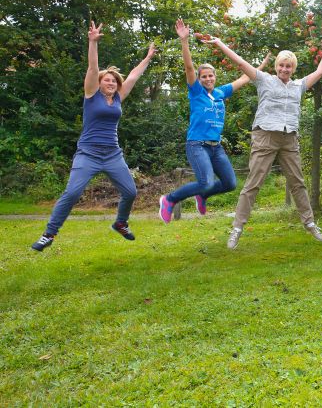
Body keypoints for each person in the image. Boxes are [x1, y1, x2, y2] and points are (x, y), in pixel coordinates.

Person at [32, 22, 156, 251]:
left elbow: (134, 76)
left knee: (130, 191)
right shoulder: (91, 95)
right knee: (72, 193)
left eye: (113, 80)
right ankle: (49, 234)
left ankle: (120, 223)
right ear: (99, 83)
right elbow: (92, 68)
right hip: (88, 154)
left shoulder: (118, 98)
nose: (111, 82)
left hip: (112, 154)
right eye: (106, 80)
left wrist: (148, 57)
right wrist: (93, 42)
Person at [208, 34, 322, 249]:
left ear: (293, 69)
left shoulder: (298, 86)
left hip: (289, 138)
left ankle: (310, 223)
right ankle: (237, 229)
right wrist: (219, 43)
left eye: (289, 66)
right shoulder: (263, 79)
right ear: (276, 67)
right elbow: (240, 62)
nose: (285, 69)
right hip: (265, 136)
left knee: (297, 182)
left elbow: (320, 72)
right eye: (282, 65)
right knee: (253, 183)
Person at [158, 19, 256, 224]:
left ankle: (202, 195)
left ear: (215, 76)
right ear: (200, 79)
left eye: (211, 76)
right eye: (204, 76)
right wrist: (184, 41)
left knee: (230, 183)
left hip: (216, 147)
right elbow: (188, 67)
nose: (208, 79)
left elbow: (246, 78)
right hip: (197, 145)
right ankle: (169, 199)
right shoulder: (196, 92)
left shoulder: (221, 92)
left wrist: (261, 69)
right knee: (205, 181)